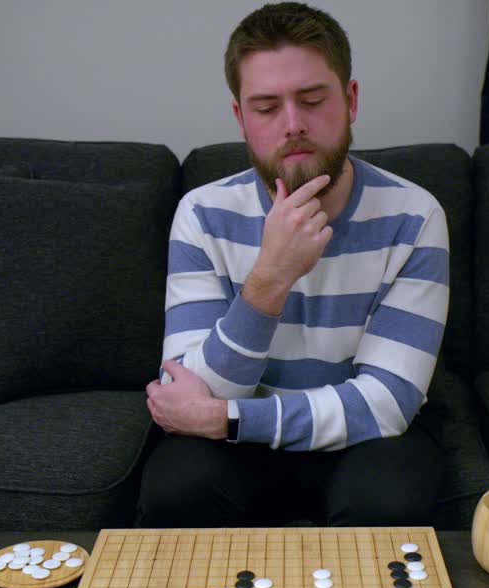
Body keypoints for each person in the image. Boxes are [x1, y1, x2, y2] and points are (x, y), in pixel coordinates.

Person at [139, 2, 449, 528]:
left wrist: (229, 419)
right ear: (240, 117)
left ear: (350, 100)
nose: (293, 125)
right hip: (231, 446)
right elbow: (190, 392)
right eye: (265, 108)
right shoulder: (203, 214)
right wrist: (270, 280)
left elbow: (385, 404)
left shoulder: (414, 216)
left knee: (389, 499)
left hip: (357, 441)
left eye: (311, 100)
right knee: (177, 490)